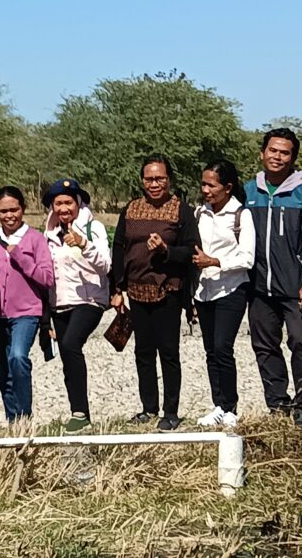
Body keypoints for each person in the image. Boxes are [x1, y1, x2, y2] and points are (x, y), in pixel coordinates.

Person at [110, 155, 200, 432]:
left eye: (159, 178)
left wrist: (166, 251)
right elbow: (119, 248)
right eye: (149, 179)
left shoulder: (181, 211)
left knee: (169, 353)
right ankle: (149, 408)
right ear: (142, 181)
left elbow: (191, 251)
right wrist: (117, 288)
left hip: (168, 292)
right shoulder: (131, 209)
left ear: (169, 180)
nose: (154, 184)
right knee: (143, 353)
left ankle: (170, 411)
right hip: (137, 292)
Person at [244, 128, 302, 431]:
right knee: (264, 345)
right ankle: (277, 402)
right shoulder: (249, 191)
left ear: (293, 158)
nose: (277, 157)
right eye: (273, 150)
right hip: (258, 286)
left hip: (295, 287)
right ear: (263, 153)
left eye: (285, 152)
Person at [43, 179, 111, 434]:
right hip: (59, 302)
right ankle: (78, 413)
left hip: (89, 300)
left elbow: (105, 265)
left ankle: (81, 411)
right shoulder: (48, 234)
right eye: (58, 203)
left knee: (72, 344)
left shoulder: (95, 228)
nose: (63, 208)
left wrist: (83, 244)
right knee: (66, 356)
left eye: (68, 202)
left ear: (78, 202)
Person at [192, 159, 255, 428]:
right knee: (210, 350)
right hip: (203, 290)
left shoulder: (242, 215)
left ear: (227, 187)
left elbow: (247, 257)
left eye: (212, 185)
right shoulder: (198, 214)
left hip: (231, 288)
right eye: (204, 184)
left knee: (222, 347)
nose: (206, 189)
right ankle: (217, 404)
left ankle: (230, 406)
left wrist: (215, 261)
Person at [0, 186, 54, 423]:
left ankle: (24, 415)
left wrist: (20, 257)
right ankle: (12, 420)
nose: (9, 215)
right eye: (3, 211)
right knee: (3, 369)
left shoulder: (35, 239)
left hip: (27, 313)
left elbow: (47, 278)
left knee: (17, 357)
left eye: (14, 209)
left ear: (23, 209)